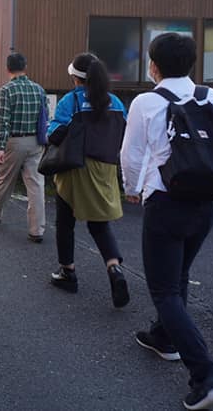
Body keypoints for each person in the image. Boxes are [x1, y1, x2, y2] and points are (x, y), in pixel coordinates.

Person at [121, 33, 213, 410]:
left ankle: (206, 376)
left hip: (165, 203)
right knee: (176, 278)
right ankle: (163, 338)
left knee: (164, 290)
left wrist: (132, 187)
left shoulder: (146, 102)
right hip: (204, 206)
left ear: (153, 65)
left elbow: (131, 156)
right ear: (193, 64)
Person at [47, 53, 130, 308]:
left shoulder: (70, 102)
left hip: (75, 169)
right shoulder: (114, 102)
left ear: (75, 77)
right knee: (99, 224)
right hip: (105, 169)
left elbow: (53, 135)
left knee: (65, 221)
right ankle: (114, 268)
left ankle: (68, 271)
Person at [0, 52, 48, 243]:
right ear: (25, 67)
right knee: (36, 185)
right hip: (36, 142)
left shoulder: (7, 90)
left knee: (6, 180)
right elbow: (45, 117)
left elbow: (3, 121)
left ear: (7, 69)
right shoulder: (39, 89)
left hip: (15, 141)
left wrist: (0, 148)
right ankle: (37, 230)